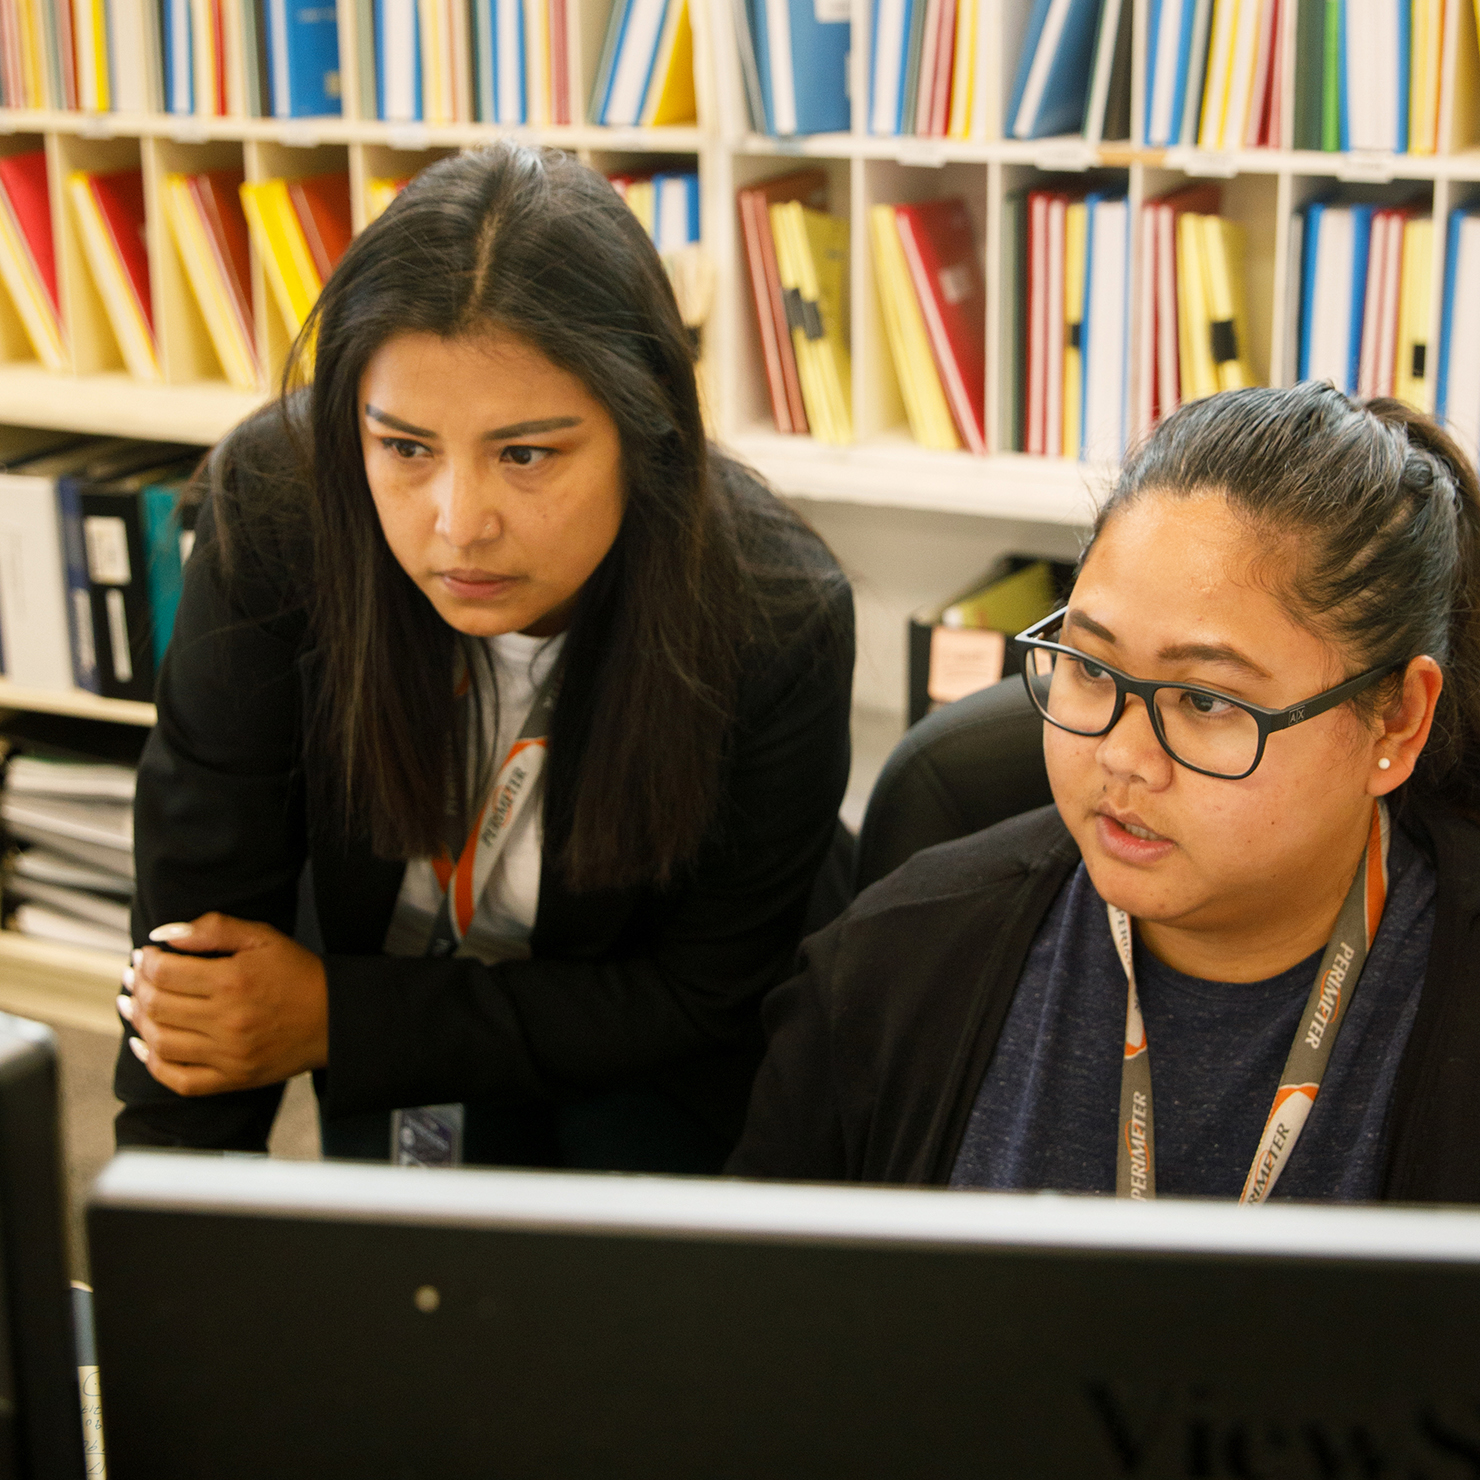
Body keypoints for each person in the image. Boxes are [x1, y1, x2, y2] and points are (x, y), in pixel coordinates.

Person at [114, 142, 854, 1172]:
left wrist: (341, 1019)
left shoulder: (776, 615)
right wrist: (163, 1243)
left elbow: (699, 995)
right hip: (391, 985)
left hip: (646, 1040)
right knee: (402, 1293)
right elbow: (197, 951)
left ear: (646, 433)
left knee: (623, 1307)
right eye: (405, 448)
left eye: (525, 454)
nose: (458, 527)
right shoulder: (281, 516)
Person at [730, 383, 1480, 1203]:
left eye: (1206, 701)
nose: (1123, 759)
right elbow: (760, 1313)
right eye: (1090, 667)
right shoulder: (888, 967)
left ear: (1397, 722)